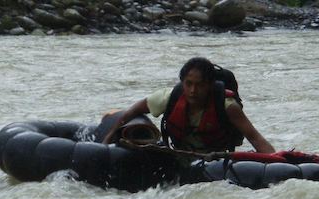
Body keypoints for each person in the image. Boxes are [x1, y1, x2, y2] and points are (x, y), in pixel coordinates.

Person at [102, 57, 275, 154]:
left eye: (199, 85)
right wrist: (108, 138)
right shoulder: (170, 97)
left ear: (209, 85)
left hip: (214, 159)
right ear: (182, 83)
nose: (193, 90)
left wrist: (278, 161)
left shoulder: (227, 106)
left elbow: (255, 137)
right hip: (178, 155)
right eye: (188, 84)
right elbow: (134, 111)